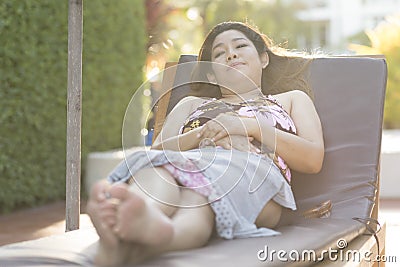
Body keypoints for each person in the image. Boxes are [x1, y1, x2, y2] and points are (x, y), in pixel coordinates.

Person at [87, 21, 324, 266]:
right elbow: (158, 150)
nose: (231, 54)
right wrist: (206, 133)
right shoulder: (191, 104)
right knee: (158, 169)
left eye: (240, 46)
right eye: (219, 53)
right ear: (211, 74)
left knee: (198, 197)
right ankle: (137, 218)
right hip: (191, 161)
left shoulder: (291, 100)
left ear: (263, 59)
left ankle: (144, 230)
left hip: (255, 175)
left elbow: (313, 158)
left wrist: (247, 126)